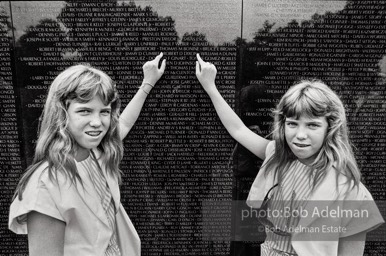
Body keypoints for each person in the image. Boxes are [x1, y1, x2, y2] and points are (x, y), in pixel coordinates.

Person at [195, 53, 384, 256]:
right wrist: (210, 87)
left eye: (312, 125)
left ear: (330, 128)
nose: (300, 135)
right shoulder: (276, 156)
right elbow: (239, 130)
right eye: (292, 123)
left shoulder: (351, 192)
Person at [9, 53, 166, 256]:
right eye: (84, 111)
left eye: (104, 111)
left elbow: (124, 123)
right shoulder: (45, 187)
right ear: (62, 114)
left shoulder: (96, 154)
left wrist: (148, 83)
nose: (97, 122)